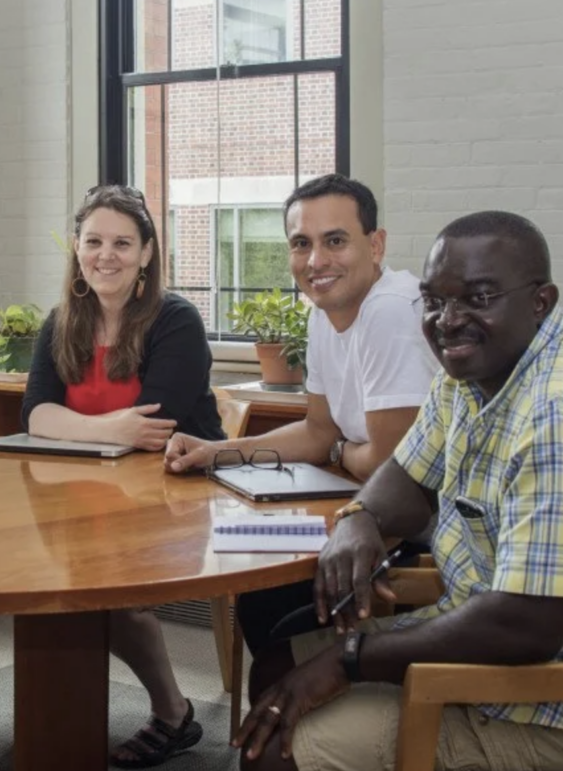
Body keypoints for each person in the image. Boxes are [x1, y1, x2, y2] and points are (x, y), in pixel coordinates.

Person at [234, 211, 563, 771]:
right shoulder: (468, 375)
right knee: (277, 661)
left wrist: (350, 659)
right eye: (434, 301)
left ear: (541, 301)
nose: (448, 321)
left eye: (479, 298)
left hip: (536, 698)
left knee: (275, 763)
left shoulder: (553, 415)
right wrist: (360, 518)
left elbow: (527, 625)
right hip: (478, 629)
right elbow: (409, 476)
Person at [165, 174, 439, 653]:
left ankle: (287, 716)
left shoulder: (391, 310)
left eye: (335, 240)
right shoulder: (321, 314)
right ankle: (277, 717)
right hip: (364, 513)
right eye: (301, 243)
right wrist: (216, 452)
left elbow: (390, 467)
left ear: (375, 245)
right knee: (236, 542)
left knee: (266, 597)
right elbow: (318, 431)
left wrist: (342, 448)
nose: (316, 261)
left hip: (419, 536)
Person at [21, 184, 224, 769]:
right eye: (93, 242)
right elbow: (34, 415)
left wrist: (73, 425)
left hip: (180, 495)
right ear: (78, 251)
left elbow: (155, 428)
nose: (105, 255)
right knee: (47, 570)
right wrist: (109, 427)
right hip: (89, 493)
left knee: (105, 585)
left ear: (146, 254)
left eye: (121, 243)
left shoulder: (175, 319)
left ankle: (172, 714)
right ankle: (59, 716)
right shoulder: (63, 321)